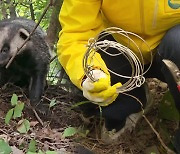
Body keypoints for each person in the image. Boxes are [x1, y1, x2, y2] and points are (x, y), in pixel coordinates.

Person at [57, 0, 180, 152]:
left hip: (171, 46)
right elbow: (75, 34)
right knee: (98, 51)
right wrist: (90, 72)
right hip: (120, 45)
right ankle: (131, 103)